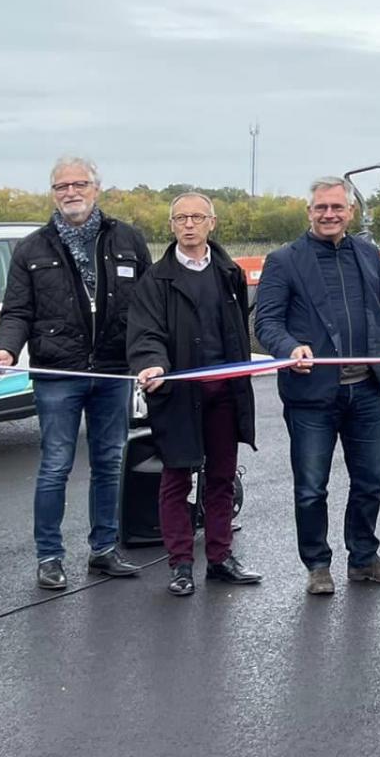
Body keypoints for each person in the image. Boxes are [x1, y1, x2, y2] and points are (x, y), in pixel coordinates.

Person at [0, 157, 150, 589]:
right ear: (53, 193)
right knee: (55, 466)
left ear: (97, 188)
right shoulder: (32, 248)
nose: (71, 192)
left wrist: (152, 358)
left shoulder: (128, 240)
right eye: (62, 186)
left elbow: (150, 309)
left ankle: (103, 549)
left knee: (109, 462)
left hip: (114, 372)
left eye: (79, 184)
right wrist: (6, 349)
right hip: (58, 373)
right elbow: (18, 310)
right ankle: (49, 557)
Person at [254, 177, 380, 594]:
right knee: (310, 487)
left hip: (366, 392)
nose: (329, 214)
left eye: (337, 208)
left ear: (350, 212)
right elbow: (266, 321)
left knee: (371, 480)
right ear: (309, 212)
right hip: (311, 396)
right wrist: (290, 347)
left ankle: (363, 559)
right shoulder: (284, 260)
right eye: (321, 207)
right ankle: (317, 565)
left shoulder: (367, 253)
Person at [126, 192, 262, 596]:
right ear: (171, 226)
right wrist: (152, 364)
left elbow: (237, 329)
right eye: (181, 218)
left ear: (211, 223)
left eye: (197, 217)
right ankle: (181, 564)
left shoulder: (229, 273)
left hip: (225, 394)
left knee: (221, 478)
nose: (189, 224)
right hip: (179, 396)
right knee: (176, 478)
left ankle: (220, 557)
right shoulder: (156, 280)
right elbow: (145, 333)